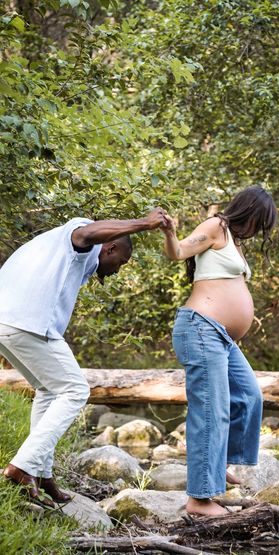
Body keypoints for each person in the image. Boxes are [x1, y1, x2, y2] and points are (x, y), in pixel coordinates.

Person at [0, 208, 168, 507]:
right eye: (122, 262)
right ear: (111, 246)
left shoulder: (63, 251)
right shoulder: (80, 235)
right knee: (76, 390)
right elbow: (88, 233)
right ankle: (22, 467)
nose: (119, 269)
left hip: (8, 321)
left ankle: (40, 472)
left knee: (49, 391)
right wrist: (144, 223)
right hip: (25, 321)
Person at [161, 186, 277, 516]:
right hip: (201, 329)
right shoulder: (216, 226)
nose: (259, 230)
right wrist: (170, 232)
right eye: (260, 221)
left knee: (249, 395)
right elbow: (178, 252)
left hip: (220, 336)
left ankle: (216, 464)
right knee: (211, 409)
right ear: (249, 211)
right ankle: (199, 500)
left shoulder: (235, 242)